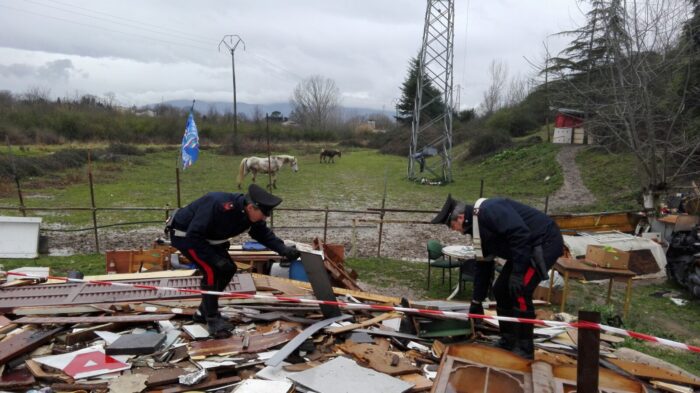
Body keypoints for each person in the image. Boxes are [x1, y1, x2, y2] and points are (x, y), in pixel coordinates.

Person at [432, 195, 563, 359]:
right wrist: (476, 301)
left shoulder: (489, 210)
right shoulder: (478, 231)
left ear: (460, 218)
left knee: (520, 289)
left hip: (543, 241)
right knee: (500, 289)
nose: (456, 231)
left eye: (453, 226)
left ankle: (525, 348)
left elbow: (520, 234)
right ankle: (508, 339)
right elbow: (484, 266)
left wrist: (517, 273)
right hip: (523, 249)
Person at [168, 184, 301, 338]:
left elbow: (261, 233)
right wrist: (214, 259)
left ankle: (203, 312)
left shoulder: (248, 212)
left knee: (228, 268)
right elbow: (194, 235)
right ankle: (212, 319)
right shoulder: (218, 205)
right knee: (211, 271)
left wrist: (283, 249)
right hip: (187, 237)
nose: (266, 217)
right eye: (264, 213)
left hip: (208, 239)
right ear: (251, 207)